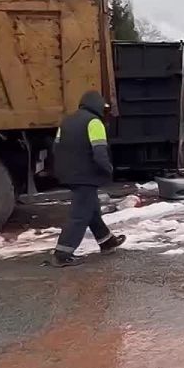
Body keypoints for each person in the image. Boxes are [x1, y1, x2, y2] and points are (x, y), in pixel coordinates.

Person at [50, 90, 126, 267]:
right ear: (97, 105)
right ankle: (63, 253)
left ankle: (107, 241)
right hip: (86, 175)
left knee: (91, 210)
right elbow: (99, 152)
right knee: (80, 215)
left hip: (68, 173)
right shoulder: (94, 122)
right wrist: (108, 170)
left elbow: (56, 148)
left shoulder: (66, 121)